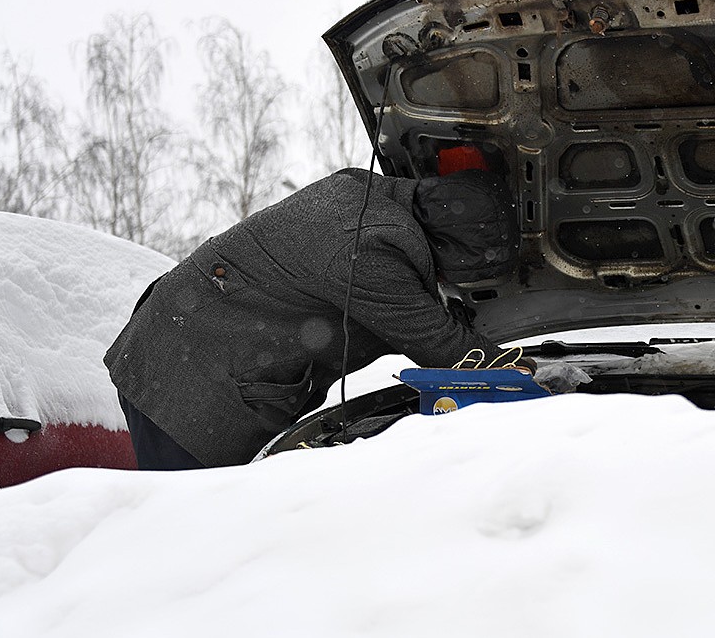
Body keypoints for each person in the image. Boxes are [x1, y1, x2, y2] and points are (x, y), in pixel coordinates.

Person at [105, 167, 529, 470]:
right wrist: (528, 377)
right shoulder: (367, 245)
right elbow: (448, 351)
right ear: (453, 249)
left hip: (185, 349)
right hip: (188, 382)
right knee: (189, 532)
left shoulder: (367, 198)